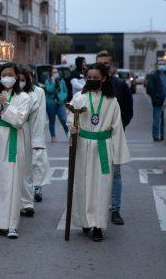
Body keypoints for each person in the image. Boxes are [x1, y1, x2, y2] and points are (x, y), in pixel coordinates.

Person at [67, 62, 130, 242]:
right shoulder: (79, 98)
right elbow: (71, 119)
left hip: (103, 145)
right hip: (82, 146)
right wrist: (72, 130)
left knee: (101, 187)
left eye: (96, 78)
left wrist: (118, 154)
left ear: (104, 78)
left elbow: (117, 127)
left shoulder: (112, 101)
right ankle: (85, 221)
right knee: (83, 184)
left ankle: (98, 225)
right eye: (89, 78)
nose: (92, 80)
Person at [0, 63, 31, 238]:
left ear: (16, 77)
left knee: (12, 180)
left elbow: (18, 120)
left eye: (11, 74)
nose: (7, 77)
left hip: (14, 139)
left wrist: (6, 103)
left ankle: (11, 224)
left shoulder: (24, 97)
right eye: (4, 74)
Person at [96, 51, 133, 225]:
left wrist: (118, 127)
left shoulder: (121, 86)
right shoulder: (89, 87)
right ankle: (96, 208)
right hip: (93, 140)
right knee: (95, 174)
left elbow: (128, 111)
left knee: (115, 174)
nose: (104, 67)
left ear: (111, 66)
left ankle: (115, 209)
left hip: (114, 138)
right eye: (100, 64)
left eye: (106, 64)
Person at [19, 65, 48, 215]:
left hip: (29, 131)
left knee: (30, 168)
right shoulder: (12, 91)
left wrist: (37, 140)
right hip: (12, 132)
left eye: (28, 77)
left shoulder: (38, 92)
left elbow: (40, 117)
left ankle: (28, 201)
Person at [146, 59, 166, 142]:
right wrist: (155, 98)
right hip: (157, 102)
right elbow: (149, 89)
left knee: (165, 120)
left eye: (163, 64)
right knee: (156, 120)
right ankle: (155, 136)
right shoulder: (154, 75)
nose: (162, 65)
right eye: (160, 64)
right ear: (157, 66)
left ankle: (163, 136)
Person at [44, 68, 69, 142]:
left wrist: (63, 97)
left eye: (56, 72)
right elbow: (49, 90)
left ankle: (69, 135)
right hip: (50, 103)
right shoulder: (48, 81)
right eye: (54, 72)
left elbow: (65, 91)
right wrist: (53, 82)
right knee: (52, 120)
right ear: (51, 73)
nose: (55, 74)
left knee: (64, 119)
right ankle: (53, 136)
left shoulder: (62, 81)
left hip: (60, 103)